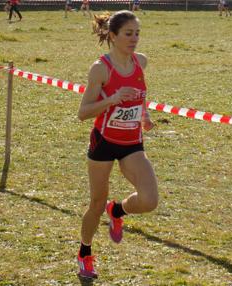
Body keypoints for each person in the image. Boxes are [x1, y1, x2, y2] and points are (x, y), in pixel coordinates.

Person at [76, 10, 158, 279]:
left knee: (149, 200)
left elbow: (140, 95)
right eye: (128, 34)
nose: (134, 39)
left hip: (132, 142)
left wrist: (143, 114)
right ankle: (85, 253)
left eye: (137, 33)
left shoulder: (141, 62)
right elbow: (83, 112)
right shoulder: (101, 68)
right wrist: (112, 99)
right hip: (104, 141)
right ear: (113, 36)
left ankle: (118, 210)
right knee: (96, 203)